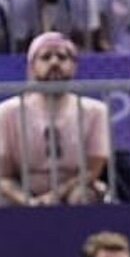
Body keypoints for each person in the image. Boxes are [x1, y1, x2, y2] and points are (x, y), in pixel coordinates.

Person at [0, 32, 108, 207]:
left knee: (83, 197)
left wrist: (55, 196)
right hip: (24, 189)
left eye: (62, 57)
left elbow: (92, 169)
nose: (54, 62)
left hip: (74, 187)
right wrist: (30, 201)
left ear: (74, 66)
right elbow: (3, 176)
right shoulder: (7, 112)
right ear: (32, 67)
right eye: (46, 57)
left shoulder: (96, 111)